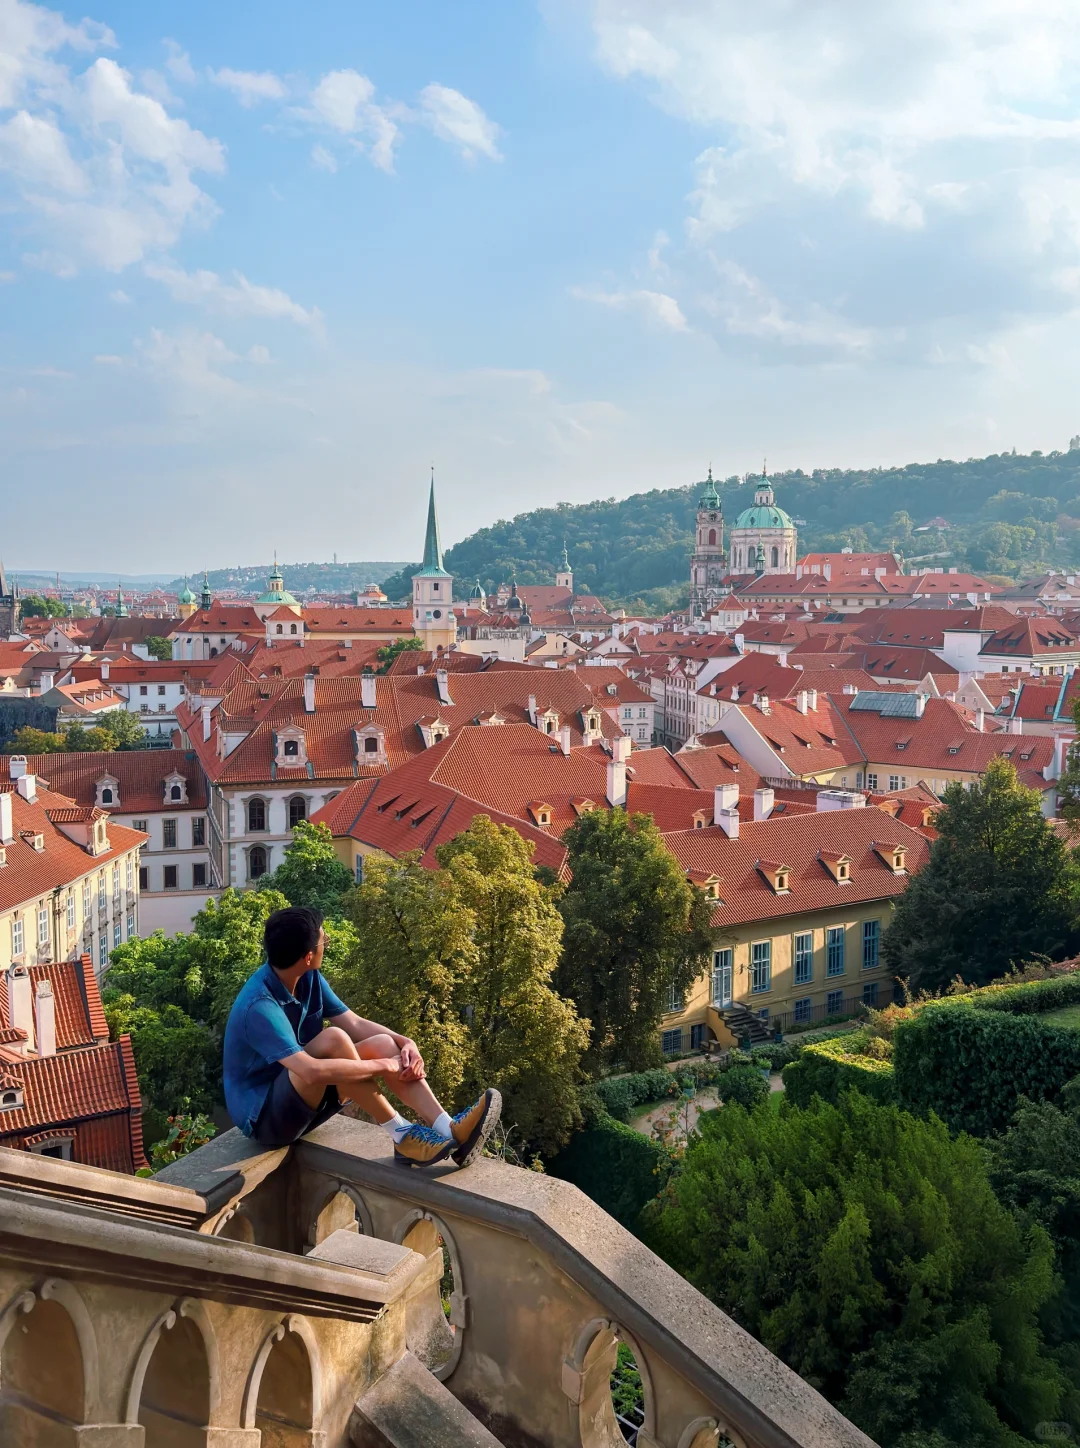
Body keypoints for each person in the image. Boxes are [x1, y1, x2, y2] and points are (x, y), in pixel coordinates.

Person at [223, 906, 501, 1168]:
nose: (326, 942)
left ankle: (448, 1128)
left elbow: (354, 1022)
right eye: (323, 940)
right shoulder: (259, 1006)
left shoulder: (307, 977)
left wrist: (405, 1042)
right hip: (270, 1121)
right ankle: (402, 1134)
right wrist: (385, 1065)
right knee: (334, 1040)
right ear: (308, 956)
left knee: (384, 1043)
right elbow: (310, 1071)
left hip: (308, 1102)